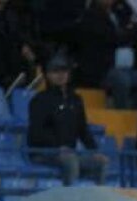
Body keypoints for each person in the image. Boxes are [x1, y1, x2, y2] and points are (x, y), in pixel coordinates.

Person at [27, 55, 109, 186]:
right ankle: (69, 199)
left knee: (101, 162)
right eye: (55, 71)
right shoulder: (39, 100)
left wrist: (95, 151)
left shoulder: (76, 99)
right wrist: (58, 147)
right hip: (45, 152)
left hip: (69, 152)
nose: (60, 75)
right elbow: (37, 132)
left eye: (63, 71)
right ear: (48, 74)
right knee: (70, 160)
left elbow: (83, 129)